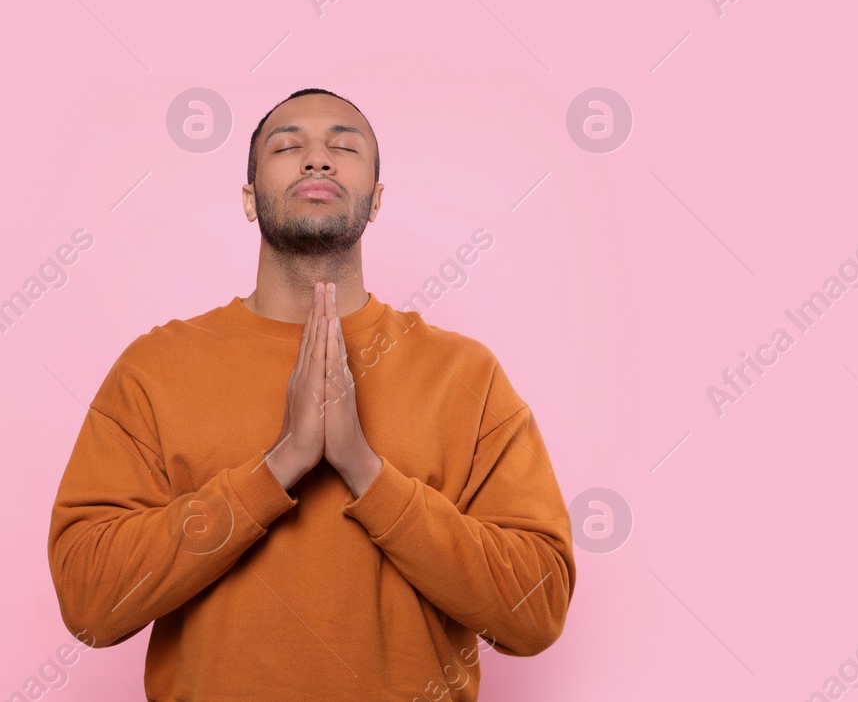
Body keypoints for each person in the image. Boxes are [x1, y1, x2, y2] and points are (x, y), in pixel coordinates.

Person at [46, 88, 575, 701]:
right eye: (288, 145)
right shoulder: (154, 370)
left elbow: (537, 612)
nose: (318, 159)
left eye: (344, 146)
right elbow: (89, 603)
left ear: (376, 202)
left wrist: (365, 471)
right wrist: (278, 468)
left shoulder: (467, 375)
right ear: (249, 199)